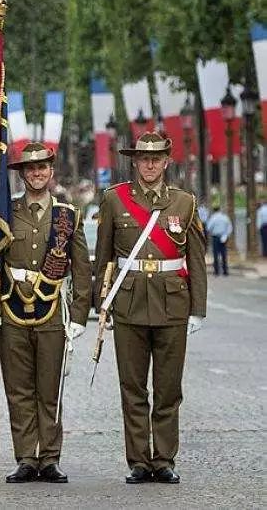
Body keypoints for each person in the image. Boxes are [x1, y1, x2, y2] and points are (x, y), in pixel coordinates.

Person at [0, 143, 91, 483]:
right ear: (22, 174)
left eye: (43, 168)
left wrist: (81, 316)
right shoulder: (5, 213)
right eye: (30, 169)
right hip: (12, 311)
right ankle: (26, 456)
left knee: (49, 387)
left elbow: (81, 269)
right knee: (19, 388)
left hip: (52, 311)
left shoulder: (67, 216)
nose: (37, 173)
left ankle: (50, 457)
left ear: (51, 172)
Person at [95, 133, 206, 484]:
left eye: (156, 158)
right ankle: (139, 461)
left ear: (167, 161)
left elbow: (196, 259)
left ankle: (164, 459)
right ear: (135, 161)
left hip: (173, 303)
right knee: (133, 387)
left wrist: (198, 309)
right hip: (128, 304)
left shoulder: (184, 202)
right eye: (144, 158)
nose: (150, 164)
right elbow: (105, 255)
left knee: (169, 388)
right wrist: (103, 305)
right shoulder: (114, 200)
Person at [205, 205, 232, 276]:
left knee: (216, 254)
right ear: (220, 210)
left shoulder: (213, 218)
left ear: (214, 210)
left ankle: (216, 271)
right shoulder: (225, 217)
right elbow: (230, 227)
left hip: (215, 237)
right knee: (224, 254)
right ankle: (225, 271)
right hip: (224, 237)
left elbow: (208, 228)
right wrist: (226, 235)